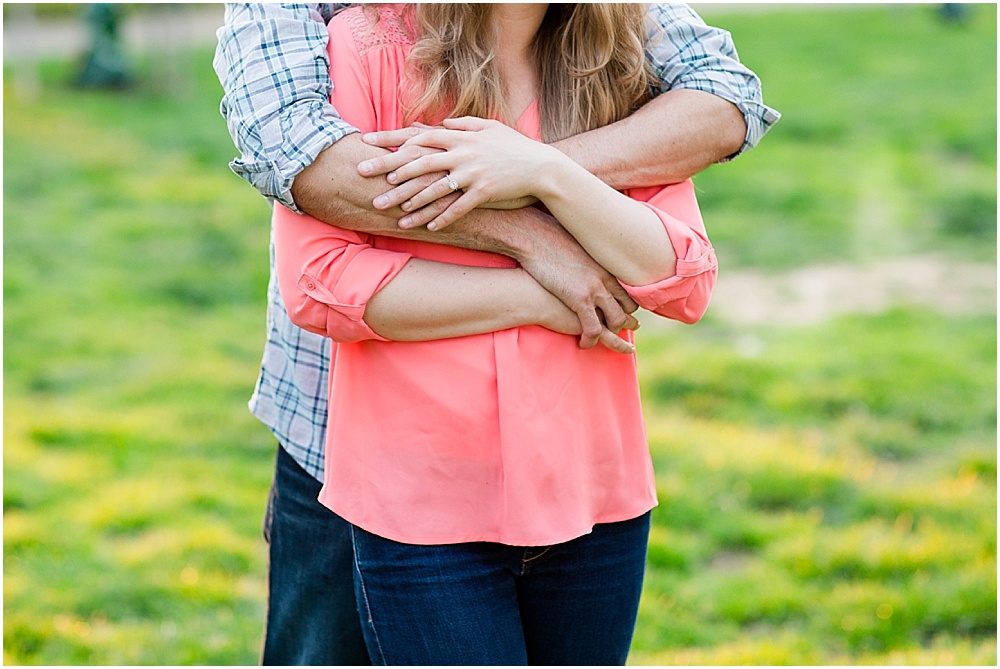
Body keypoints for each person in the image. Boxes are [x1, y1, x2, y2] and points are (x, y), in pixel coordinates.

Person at [213, 3, 779, 665]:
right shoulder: (365, 47)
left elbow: (693, 229)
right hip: (390, 474)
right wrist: (544, 275)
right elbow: (306, 189)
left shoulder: (614, 58)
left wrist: (541, 170)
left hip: (588, 483)